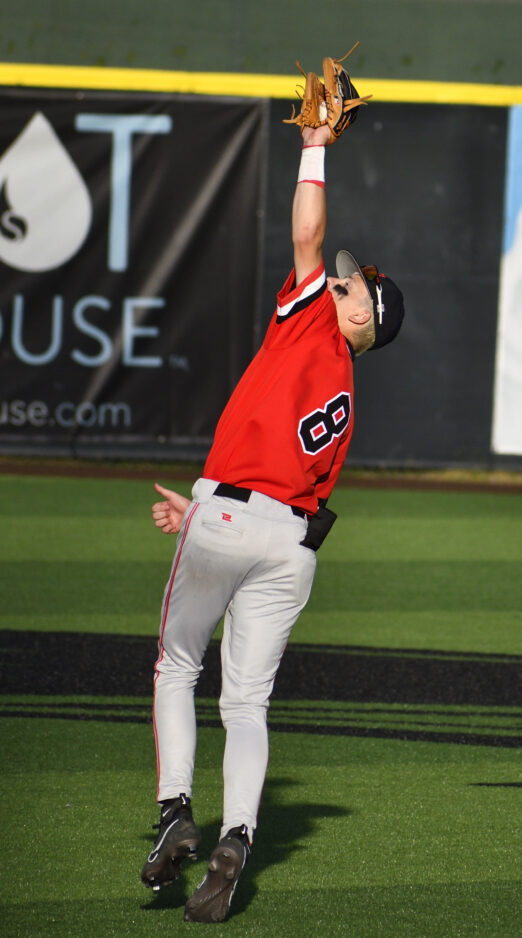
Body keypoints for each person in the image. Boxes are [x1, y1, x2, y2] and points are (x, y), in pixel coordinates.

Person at [141, 60, 405, 924]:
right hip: (289, 547)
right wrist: (210, 508)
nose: (342, 279)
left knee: (178, 665)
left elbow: (306, 233)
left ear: (361, 317)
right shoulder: (346, 397)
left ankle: (176, 811)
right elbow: (290, 488)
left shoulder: (314, 322)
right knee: (247, 702)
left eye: (355, 284)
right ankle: (239, 837)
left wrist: (316, 146)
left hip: (230, 516)